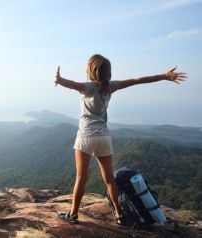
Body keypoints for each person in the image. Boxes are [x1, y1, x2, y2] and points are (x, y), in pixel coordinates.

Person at [55, 54, 187, 225]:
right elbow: (136, 80)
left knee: (81, 178)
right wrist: (163, 76)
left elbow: (72, 85)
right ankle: (118, 214)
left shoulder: (88, 87)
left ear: (92, 70)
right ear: (108, 73)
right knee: (110, 179)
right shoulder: (111, 87)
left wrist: (60, 79)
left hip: (86, 136)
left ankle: (73, 215)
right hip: (104, 137)